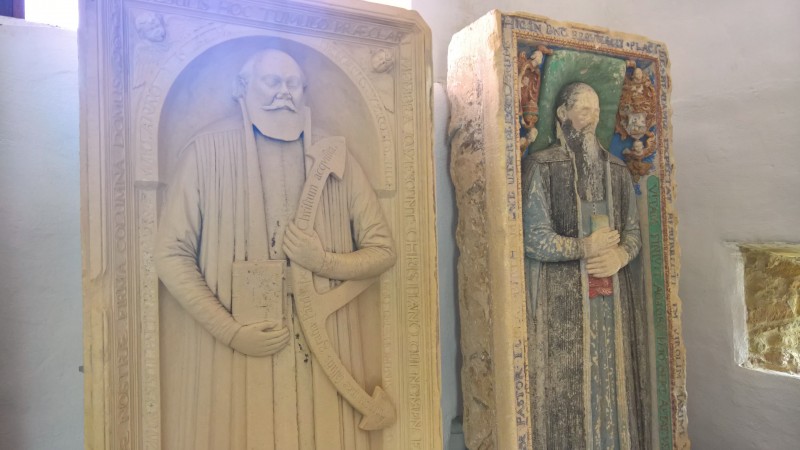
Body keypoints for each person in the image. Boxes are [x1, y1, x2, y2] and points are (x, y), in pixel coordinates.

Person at [155, 48, 396, 450]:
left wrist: (323, 261)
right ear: (242, 87)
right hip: (237, 353)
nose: (284, 92)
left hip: (322, 351)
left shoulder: (335, 154)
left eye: (293, 84)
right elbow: (170, 254)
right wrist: (230, 331)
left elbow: (383, 251)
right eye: (272, 81)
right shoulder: (205, 153)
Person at [522, 82, 650, 449]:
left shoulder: (617, 170)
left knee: (613, 388)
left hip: (611, 308)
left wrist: (620, 256)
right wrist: (585, 246)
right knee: (566, 397)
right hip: (561, 308)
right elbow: (534, 239)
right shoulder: (542, 166)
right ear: (562, 114)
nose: (591, 118)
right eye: (583, 110)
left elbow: (633, 233)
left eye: (595, 111)